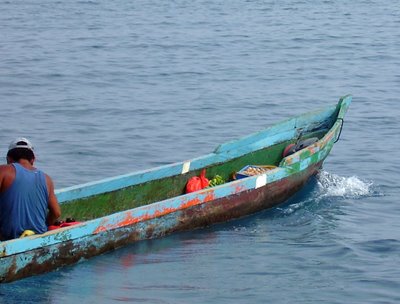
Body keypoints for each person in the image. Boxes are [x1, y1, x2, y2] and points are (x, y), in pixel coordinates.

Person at [0, 138, 61, 241]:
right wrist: (44, 225)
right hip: (38, 236)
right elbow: (56, 213)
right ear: (33, 160)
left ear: (9, 159)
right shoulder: (47, 179)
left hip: (8, 238)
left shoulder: (3, 171)